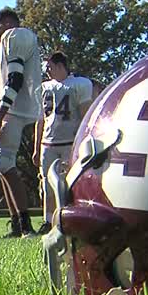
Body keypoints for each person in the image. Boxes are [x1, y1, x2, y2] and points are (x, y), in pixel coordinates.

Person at [0, 7, 42, 238]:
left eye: (2, 24)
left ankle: (26, 226)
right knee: (1, 168)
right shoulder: (0, 49)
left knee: (5, 164)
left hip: (9, 110)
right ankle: (17, 223)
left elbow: (15, 80)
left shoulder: (16, 36)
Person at [32, 52, 94, 235]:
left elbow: (85, 115)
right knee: (46, 184)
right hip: (48, 142)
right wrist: (36, 148)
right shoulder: (43, 88)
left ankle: (70, 218)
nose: (47, 71)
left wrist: (83, 140)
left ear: (60, 65)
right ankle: (48, 221)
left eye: (50, 67)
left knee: (71, 182)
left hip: (70, 141)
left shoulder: (79, 84)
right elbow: (40, 120)